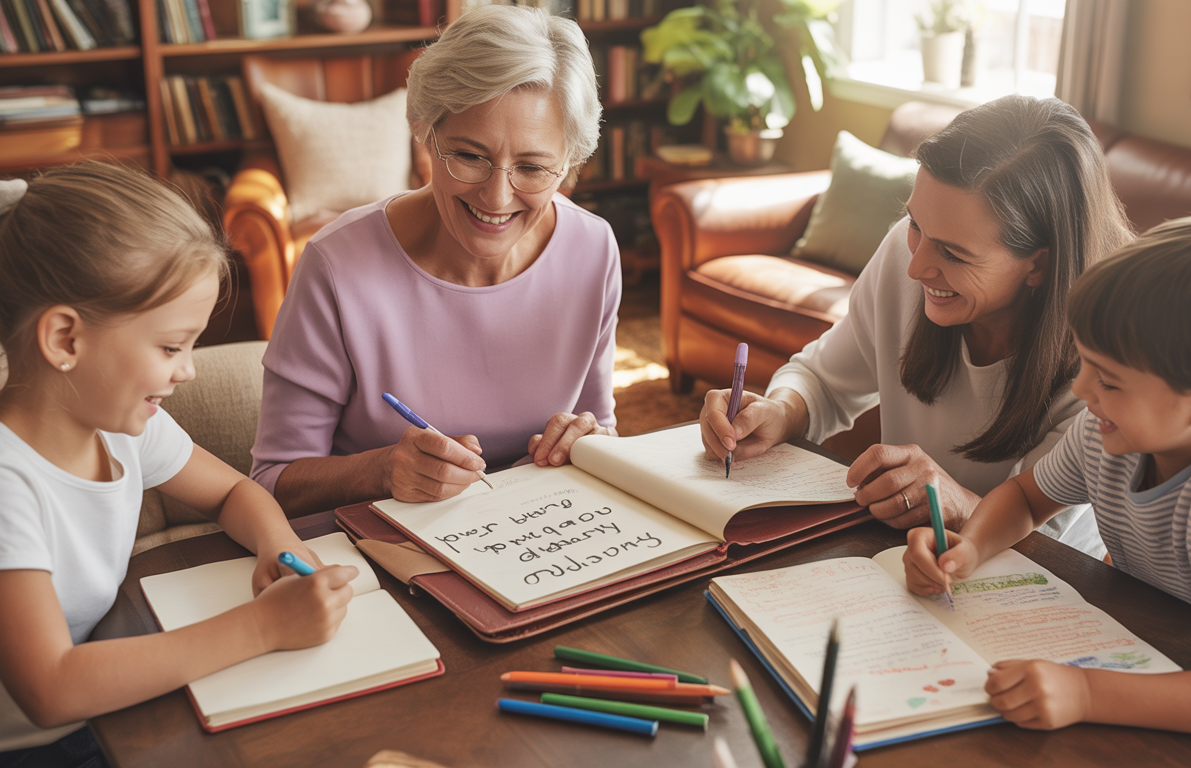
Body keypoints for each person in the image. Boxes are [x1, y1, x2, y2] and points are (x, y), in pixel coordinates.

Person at [0, 163, 358, 762]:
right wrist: (264, 627)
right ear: (64, 339)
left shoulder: (117, 425)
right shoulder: (9, 483)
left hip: (110, 709)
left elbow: (233, 493)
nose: (187, 370)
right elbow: (51, 690)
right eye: (170, 347)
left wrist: (278, 546)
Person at [700, 95, 1132, 555]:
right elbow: (822, 380)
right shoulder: (905, 254)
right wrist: (780, 410)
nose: (915, 267)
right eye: (914, 223)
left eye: (954, 253)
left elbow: (1046, 538)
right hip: (899, 555)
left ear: (1039, 265)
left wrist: (960, 506)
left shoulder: (1115, 357)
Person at [904, 215, 1191, 734]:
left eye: (1109, 380)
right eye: (1084, 363)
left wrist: (1084, 693)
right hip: (1153, 638)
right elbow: (1026, 498)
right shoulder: (1108, 428)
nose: (1081, 390)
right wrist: (969, 548)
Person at [251, 4, 620, 517]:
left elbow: (601, 429)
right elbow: (273, 481)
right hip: (384, 546)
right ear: (424, 130)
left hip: (538, 534)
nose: (496, 197)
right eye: (468, 156)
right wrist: (381, 471)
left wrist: (587, 441)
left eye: (533, 167)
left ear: (570, 163)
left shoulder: (594, 249)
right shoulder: (335, 264)